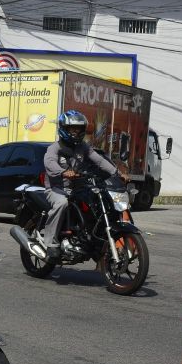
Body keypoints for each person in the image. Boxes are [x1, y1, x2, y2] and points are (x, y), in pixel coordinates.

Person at [43, 110, 116, 263]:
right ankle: (50, 243)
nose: (76, 132)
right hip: (57, 189)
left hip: (77, 188)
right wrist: (63, 172)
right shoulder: (54, 148)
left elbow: (99, 161)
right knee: (61, 203)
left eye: (78, 129)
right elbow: (50, 164)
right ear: (64, 128)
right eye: (72, 129)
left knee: (96, 199)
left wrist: (117, 172)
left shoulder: (83, 147)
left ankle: (90, 238)